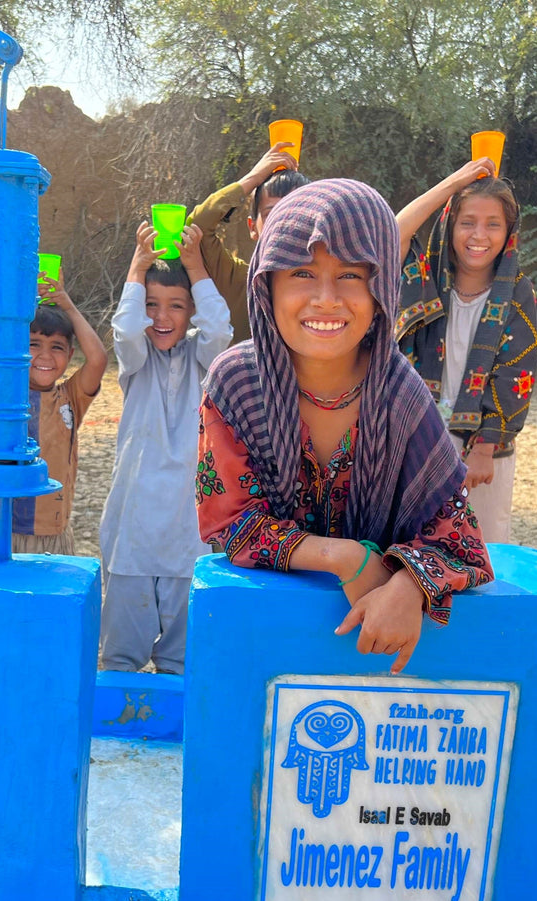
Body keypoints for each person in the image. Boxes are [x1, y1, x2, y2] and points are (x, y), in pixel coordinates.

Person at [196, 179, 494, 675]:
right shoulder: (236, 385)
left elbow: (460, 537)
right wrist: (346, 558)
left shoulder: (401, 394)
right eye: (302, 273)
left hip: (375, 660)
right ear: (265, 283)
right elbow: (230, 525)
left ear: (382, 291)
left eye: (351, 275)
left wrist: (406, 584)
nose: (326, 299)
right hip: (265, 641)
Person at [100, 221, 232, 673]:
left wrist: (195, 263)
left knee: (181, 659)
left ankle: (170, 741)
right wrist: (137, 265)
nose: (161, 317)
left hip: (187, 529)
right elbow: (124, 331)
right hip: (133, 529)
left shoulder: (204, 363)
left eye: (176, 306)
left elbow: (219, 328)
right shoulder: (135, 364)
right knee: (119, 656)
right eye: (152, 305)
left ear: (191, 311)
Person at [395, 160, 537, 543]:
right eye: (467, 221)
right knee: (414, 551)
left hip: (482, 455)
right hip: (419, 441)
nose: (480, 234)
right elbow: (394, 233)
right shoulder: (425, 281)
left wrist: (485, 447)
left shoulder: (517, 292)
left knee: (480, 555)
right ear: (449, 225)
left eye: (494, 223)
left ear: (509, 232)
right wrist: (456, 182)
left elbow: (517, 374)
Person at [12, 272, 108, 554]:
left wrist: (67, 305)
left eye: (57, 347)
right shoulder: (5, 396)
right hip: (7, 530)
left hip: (53, 533)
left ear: (70, 353)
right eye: (33, 345)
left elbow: (99, 358)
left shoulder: (70, 397)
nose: (45, 356)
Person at [187, 142, 310, 340]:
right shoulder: (236, 279)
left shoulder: (323, 287)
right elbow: (197, 225)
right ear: (252, 227)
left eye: (295, 211)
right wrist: (254, 177)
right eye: (272, 213)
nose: (284, 221)